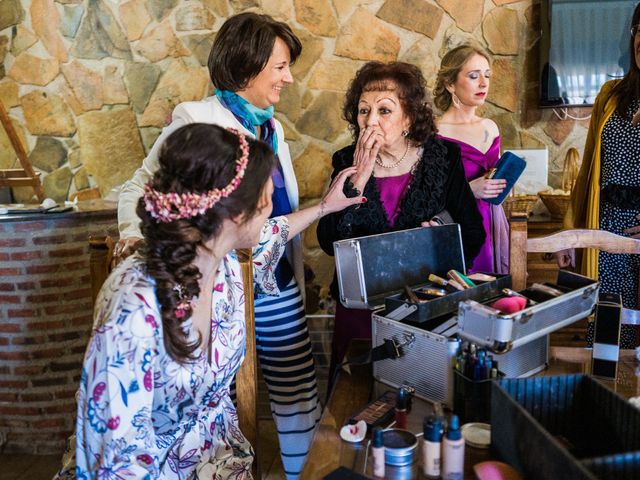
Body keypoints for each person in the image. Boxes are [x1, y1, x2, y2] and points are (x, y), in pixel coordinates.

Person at [55, 124, 362, 479]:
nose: (270, 204)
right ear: (233, 214)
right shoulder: (133, 308)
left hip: (221, 461)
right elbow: (114, 460)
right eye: (265, 196)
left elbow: (273, 232)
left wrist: (326, 206)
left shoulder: (225, 261)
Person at [115, 13, 323, 477]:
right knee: (220, 393)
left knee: (296, 388)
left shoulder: (274, 128)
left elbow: (278, 207)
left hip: (277, 281)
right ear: (246, 66)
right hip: (222, 283)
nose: (289, 77)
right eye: (280, 66)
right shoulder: (197, 119)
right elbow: (139, 190)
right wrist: (135, 241)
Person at [316, 61, 485, 381]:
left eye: (384, 110)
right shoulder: (344, 160)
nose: (371, 121)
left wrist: (441, 235)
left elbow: (473, 231)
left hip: (426, 307)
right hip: (360, 311)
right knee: (355, 399)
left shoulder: (444, 157)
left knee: (425, 394)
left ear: (408, 117)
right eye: (363, 110)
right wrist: (358, 180)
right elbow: (327, 242)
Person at [559, 2, 640, 348]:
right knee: (608, 333)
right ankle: (607, 397)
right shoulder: (611, 94)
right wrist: (569, 230)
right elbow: (589, 167)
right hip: (605, 225)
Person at [433, 44, 509, 274]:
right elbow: (426, 197)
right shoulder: (435, 133)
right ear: (450, 84)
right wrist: (469, 190)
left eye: (487, 75)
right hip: (458, 224)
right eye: (474, 76)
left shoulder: (490, 127)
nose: (484, 83)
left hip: (492, 219)